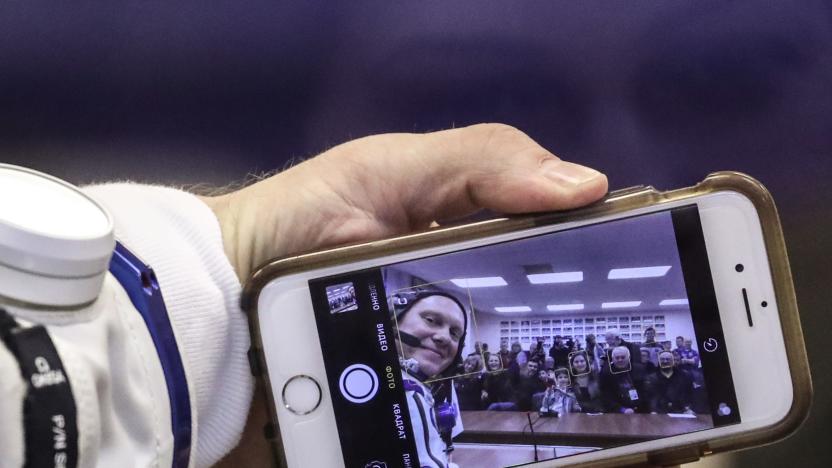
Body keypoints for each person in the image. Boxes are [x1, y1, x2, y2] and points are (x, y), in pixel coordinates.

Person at [1, 123, 608, 467]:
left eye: (454, 333)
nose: (442, 336)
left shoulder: (425, 401)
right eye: (433, 318)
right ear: (398, 317)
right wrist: (226, 261)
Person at [392, 289, 468, 467]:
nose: (445, 338)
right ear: (393, 318)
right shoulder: (409, 392)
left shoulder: (436, 388)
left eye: (454, 333)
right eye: (431, 320)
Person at [600, 346, 647, 414]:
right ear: (612, 359)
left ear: (629, 358)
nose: (620, 360)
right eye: (617, 358)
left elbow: (644, 391)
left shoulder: (639, 369)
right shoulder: (606, 373)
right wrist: (622, 409)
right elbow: (606, 396)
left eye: (623, 357)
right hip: (617, 411)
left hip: (640, 409)